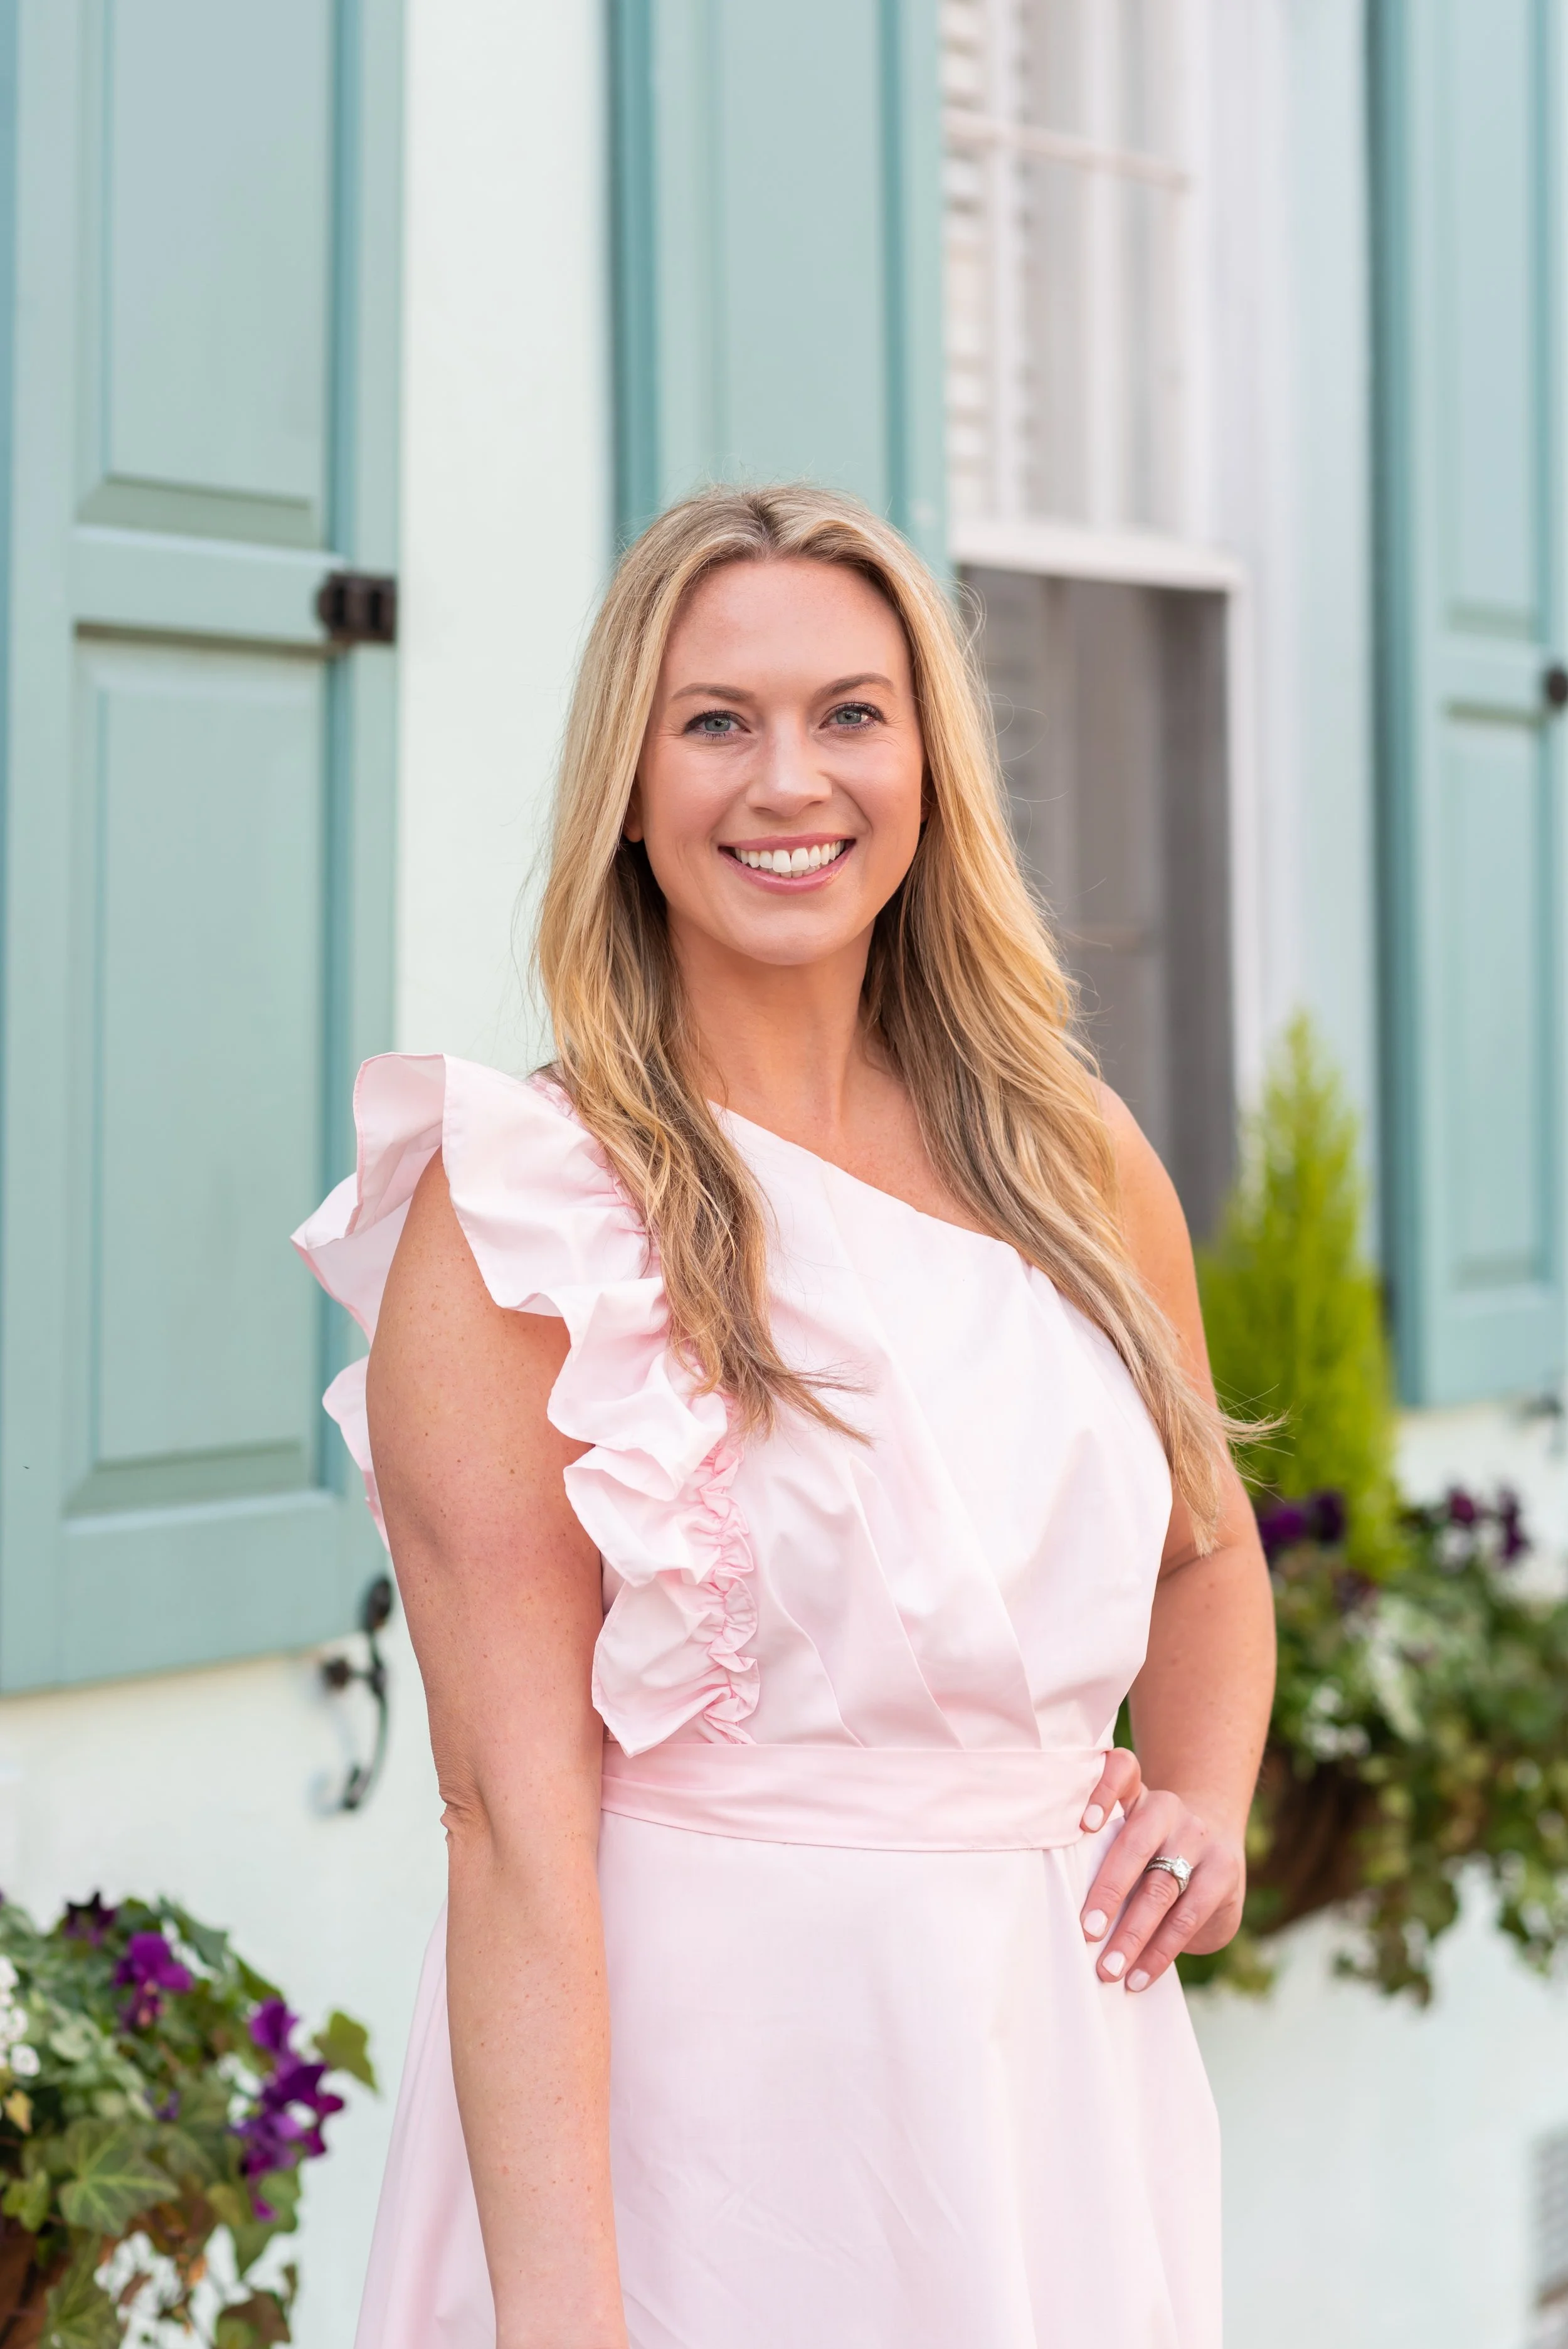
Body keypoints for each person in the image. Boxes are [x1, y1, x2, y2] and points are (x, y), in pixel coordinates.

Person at [295, 483, 1276, 2349]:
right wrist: (566, 2318)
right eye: (714, 721)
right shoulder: (525, 1209)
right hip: (708, 2131)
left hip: (1050, 2089)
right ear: (629, 780)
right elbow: (509, 1824)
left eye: (848, 712)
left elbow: (1204, 1552)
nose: (786, 781)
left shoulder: (1069, 1154)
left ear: (926, 761)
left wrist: (1209, 1806)